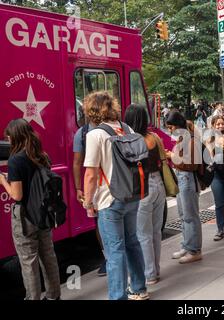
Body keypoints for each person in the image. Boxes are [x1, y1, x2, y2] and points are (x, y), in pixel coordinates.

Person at [83, 92, 148, 300]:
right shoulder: (126, 128)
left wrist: (88, 201)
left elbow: (91, 174)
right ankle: (139, 288)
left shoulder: (95, 135)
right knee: (132, 242)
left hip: (109, 200)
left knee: (115, 251)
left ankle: (117, 296)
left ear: (91, 110)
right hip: (132, 195)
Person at [0, 119, 61, 300]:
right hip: (43, 213)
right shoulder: (42, 155)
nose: (8, 140)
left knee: (29, 261)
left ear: (16, 137)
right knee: (48, 256)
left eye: (9, 137)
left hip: (25, 216)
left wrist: (3, 181)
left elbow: (17, 195)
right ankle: (53, 296)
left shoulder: (15, 160)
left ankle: (32, 297)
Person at [124, 104, 166, 285]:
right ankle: (155, 269)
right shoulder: (155, 137)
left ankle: (149, 274)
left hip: (142, 188)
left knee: (143, 234)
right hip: (159, 185)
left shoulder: (130, 140)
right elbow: (163, 160)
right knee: (156, 231)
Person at [72, 106, 107, 277]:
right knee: (101, 222)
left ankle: (109, 258)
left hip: (99, 185)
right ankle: (109, 258)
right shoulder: (83, 133)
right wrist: (79, 187)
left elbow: (77, 163)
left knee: (101, 223)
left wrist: (80, 189)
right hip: (102, 184)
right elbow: (77, 162)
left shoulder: (83, 133)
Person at [165, 111, 203, 263]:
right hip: (182, 179)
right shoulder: (183, 139)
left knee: (190, 216)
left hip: (187, 179)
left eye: (170, 127)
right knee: (183, 215)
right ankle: (187, 245)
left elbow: (190, 164)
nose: (169, 130)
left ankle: (194, 250)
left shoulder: (191, 140)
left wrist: (172, 157)